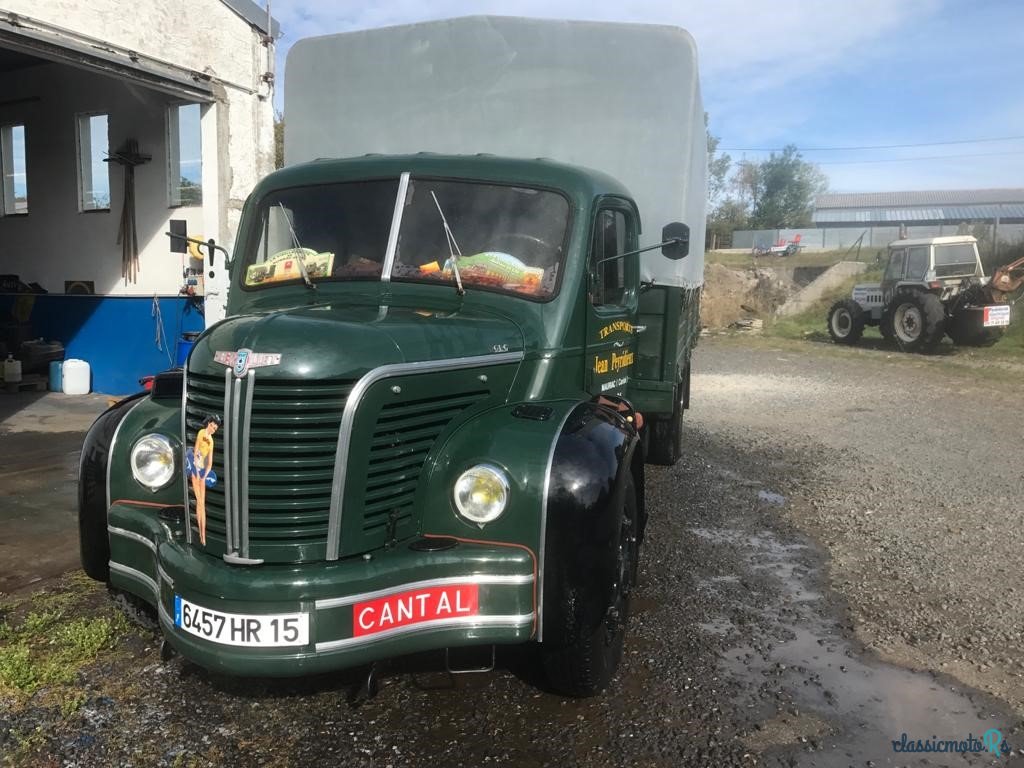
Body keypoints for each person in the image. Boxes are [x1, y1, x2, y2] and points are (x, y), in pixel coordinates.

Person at [185, 414, 221, 545]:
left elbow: (210, 462)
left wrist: (205, 475)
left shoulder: (212, 441)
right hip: (196, 470)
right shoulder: (201, 433)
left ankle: (203, 535)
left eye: (215, 428)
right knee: (199, 502)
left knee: (202, 505)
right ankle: (200, 535)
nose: (213, 429)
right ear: (208, 424)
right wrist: (197, 472)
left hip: (203, 471)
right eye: (212, 426)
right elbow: (195, 452)